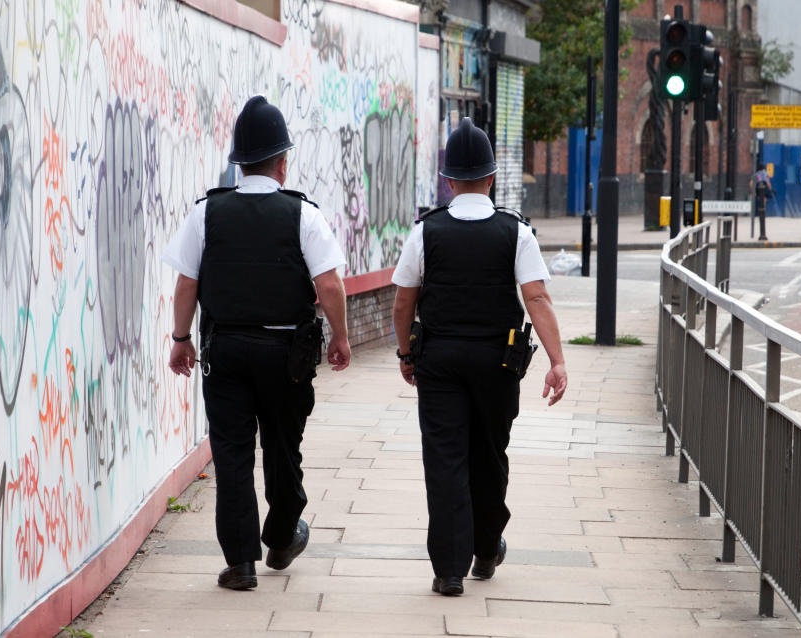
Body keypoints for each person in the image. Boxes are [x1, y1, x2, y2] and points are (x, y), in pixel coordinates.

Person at [163, 96, 351, 590]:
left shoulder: (207, 213)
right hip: (286, 354)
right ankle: (284, 534)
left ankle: (241, 562)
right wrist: (341, 338)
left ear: (238, 164)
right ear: (282, 162)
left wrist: (182, 338)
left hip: (224, 351)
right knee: (284, 447)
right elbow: (330, 285)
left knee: (232, 453)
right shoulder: (302, 214)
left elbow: (187, 284)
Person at [390, 117, 568, 596]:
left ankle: (449, 570)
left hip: (440, 363)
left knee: (445, 460)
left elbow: (404, 300)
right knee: (489, 456)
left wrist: (406, 352)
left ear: (449, 181)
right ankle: (486, 550)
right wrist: (557, 361)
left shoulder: (426, 231)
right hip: (497, 363)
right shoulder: (517, 233)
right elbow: (537, 298)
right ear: (491, 178)